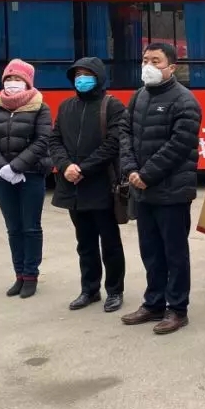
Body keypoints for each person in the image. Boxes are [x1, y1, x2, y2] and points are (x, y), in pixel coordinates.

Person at [119, 42, 202, 335]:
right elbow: (124, 133)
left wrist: (147, 174)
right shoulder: (139, 96)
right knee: (150, 250)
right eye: (145, 60)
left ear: (172, 67)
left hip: (172, 191)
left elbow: (180, 145)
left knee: (174, 253)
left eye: (156, 61)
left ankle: (177, 309)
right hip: (143, 190)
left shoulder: (184, 100)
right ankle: (153, 302)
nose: (149, 66)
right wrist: (131, 169)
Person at [48, 57, 127, 312]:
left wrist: (83, 168)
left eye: (87, 74)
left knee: (110, 242)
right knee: (84, 242)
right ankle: (89, 289)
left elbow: (113, 144)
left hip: (102, 185)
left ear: (99, 77)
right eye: (77, 75)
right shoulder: (66, 106)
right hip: (73, 186)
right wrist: (66, 166)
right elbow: (54, 140)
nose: (81, 79)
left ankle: (114, 290)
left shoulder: (112, 106)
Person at [0, 59, 52, 298]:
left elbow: (42, 141)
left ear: (27, 82)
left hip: (30, 175)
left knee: (30, 227)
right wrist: (3, 168)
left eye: (17, 79)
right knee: (13, 228)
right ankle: (19, 274)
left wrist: (17, 167)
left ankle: (31, 275)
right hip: (3, 177)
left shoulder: (40, 107)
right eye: (9, 79)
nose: (12, 83)